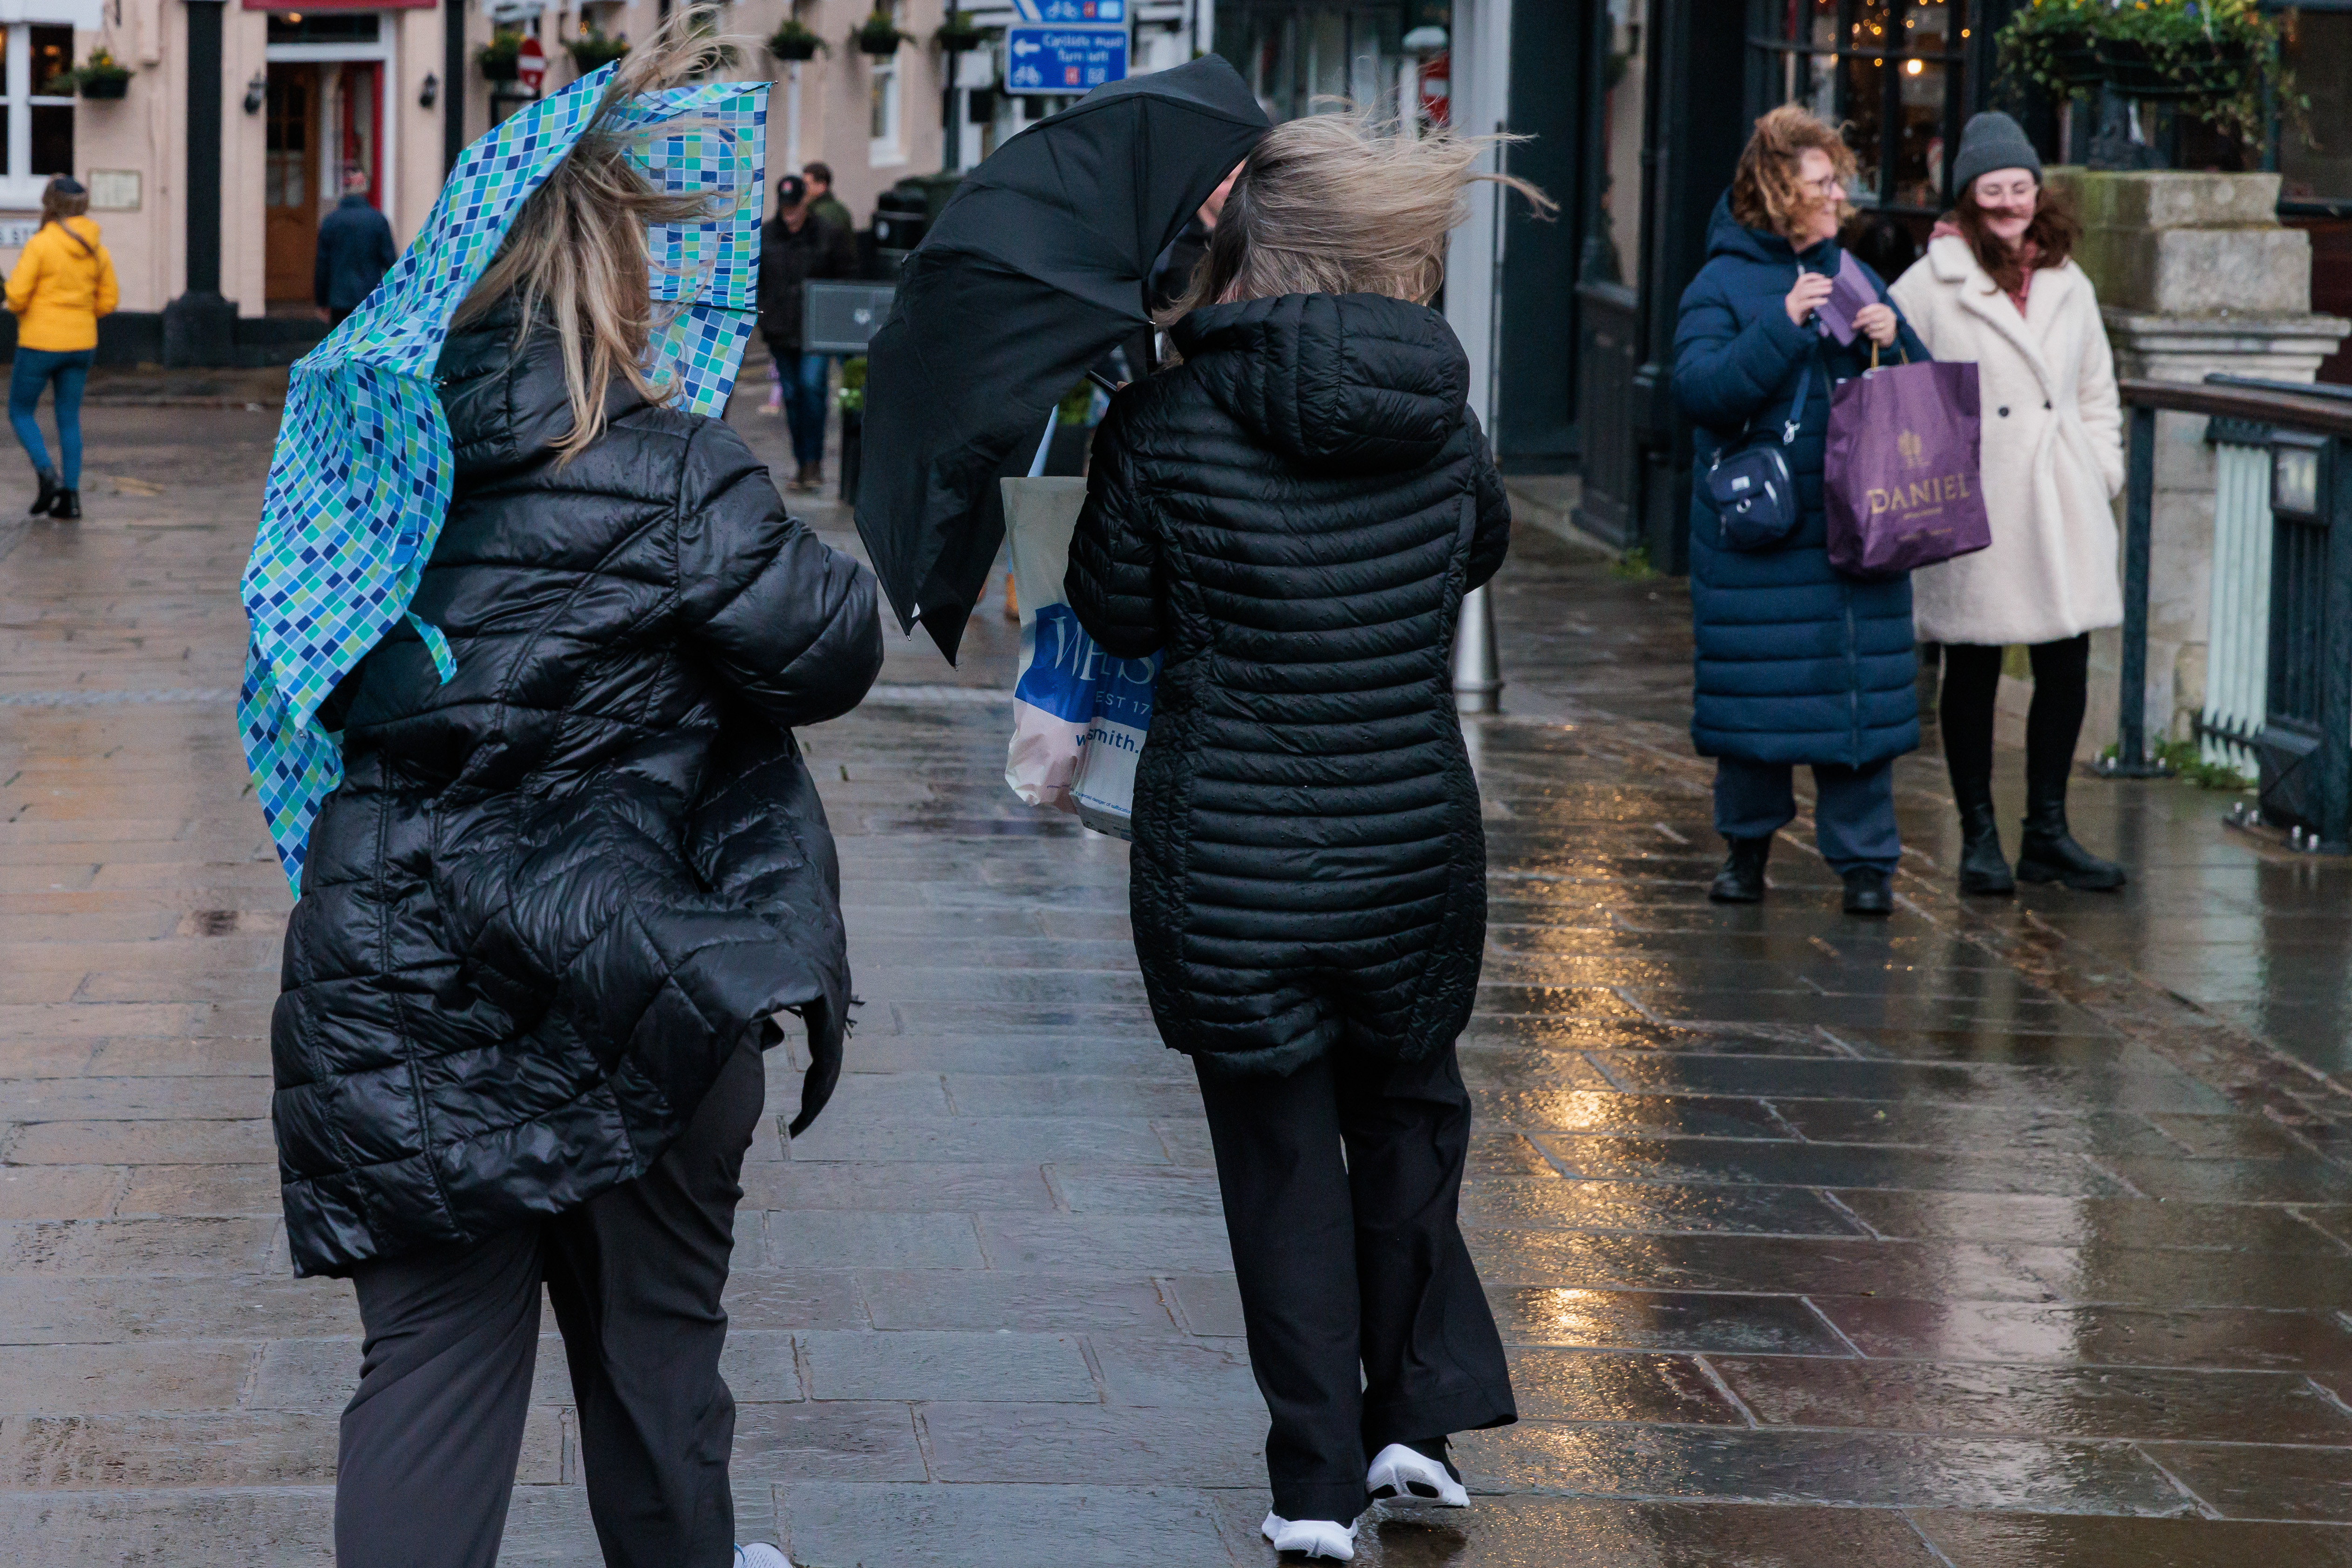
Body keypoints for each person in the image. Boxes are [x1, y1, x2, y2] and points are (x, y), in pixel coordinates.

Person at [263, 26, 882, 1568]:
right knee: (654, 1370)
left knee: (424, 1368)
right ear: (613, 277)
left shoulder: (359, 471)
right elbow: (825, 648)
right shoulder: (671, 466)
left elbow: (316, 683)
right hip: (632, 974)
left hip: (395, 977)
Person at [1066, 111, 1539, 1563]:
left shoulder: (1164, 418)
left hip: (1232, 853)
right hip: (1408, 833)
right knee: (1408, 1121)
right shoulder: (1443, 416)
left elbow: (1118, 614)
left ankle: (1316, 1479)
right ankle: (1420, 1422)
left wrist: (1126, 423)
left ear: (1240, 248)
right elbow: (1478, 551)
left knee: (1279, 1156)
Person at [1673, 104, 1929, 916]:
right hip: (1761, 533)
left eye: (1835, 182)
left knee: (1856, 706)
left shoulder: (1851, 271)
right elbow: (1700, 392)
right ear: (1775, 187)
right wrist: (1782, 327)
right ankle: (1744, 853)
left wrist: (1895, 336)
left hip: (1855, 524)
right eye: (1821, 183)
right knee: (1754, 706)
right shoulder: (1718, 282)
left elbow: (1914, 393)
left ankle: (1864, 867)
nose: (1836, 198)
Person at [1890, 113, 2127, 893]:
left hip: (2060, 495)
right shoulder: (1929, 284)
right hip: (1976, 501)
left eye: (2018, 187)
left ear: (2037, 191)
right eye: (1990, 189)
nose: (2006, 202)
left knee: (2066, 661)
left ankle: (2047, 833)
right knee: (1973, 662)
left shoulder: (2067, 279)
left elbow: (2096, 387)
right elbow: (1892, 386)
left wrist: (2101, 470)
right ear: (1966, 197)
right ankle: (1979, 838)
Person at [5, 175, 116, 521]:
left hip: (40, 343)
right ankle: (71, 497)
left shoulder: (42, 244)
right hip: (82, 343)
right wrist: (81, 315)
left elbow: (17, 296)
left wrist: (26, 307)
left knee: (20, 411)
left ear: (50, 205)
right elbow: (109, 300)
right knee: (68, 418)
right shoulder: (97, 247)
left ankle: (46, 474)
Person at [757, 171, 857, 490]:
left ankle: (812, 464)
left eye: (794, 207)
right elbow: (758, 283)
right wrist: (765, 317)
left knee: (812, 389)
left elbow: (845, 279)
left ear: (805, 202)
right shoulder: (766, 236)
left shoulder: (827, 234)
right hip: (780, 331)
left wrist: (836, 321)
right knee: (791, 396)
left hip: (815, 331)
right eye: (784, 207)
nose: (789, 214)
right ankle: (803, 463)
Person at [314, 164, 398, 329]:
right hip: (370, 299)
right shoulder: (378, 220)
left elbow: (322, 266)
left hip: (339, 300)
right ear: (364, 189)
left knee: (340, 348)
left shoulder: (331, 222)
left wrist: (322, 301)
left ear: (344, 191)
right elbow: (391, 263)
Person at [802, 159, 853, 238]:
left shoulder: (826, 214)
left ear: (822, 186)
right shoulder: (816, 209)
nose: (804, 190)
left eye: (807, 185)